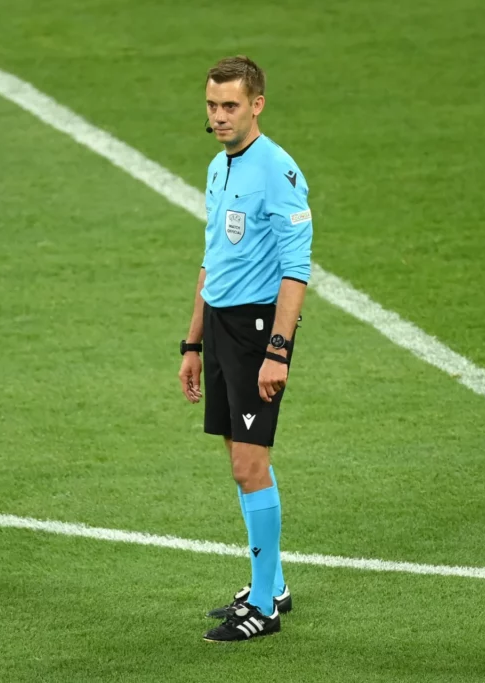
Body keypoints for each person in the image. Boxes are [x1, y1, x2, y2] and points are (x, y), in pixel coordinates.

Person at [178, 55, 313, 642]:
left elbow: (296, 269)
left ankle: (263, 608)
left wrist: (278, 350)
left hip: (259, 332)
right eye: (212, 105)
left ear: (256, 105)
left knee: (248, 464)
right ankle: (273, 584)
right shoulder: (219, 165)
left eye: (230, 105)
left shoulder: (278, 171)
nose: (219, 116)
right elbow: (212, 260)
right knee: (239, 457)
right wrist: (192, 342)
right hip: (221, 327)